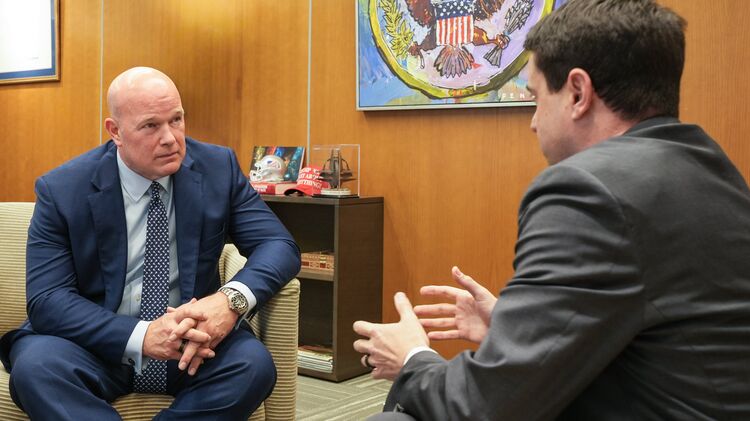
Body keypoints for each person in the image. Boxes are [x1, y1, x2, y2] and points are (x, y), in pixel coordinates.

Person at [353, 0, 750, 419]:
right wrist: (514, 327)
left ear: (577, 93)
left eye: (536, 97)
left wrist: (412, 357)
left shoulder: (587, 191)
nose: (533, 121)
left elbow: (482, 407)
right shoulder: (712, 169)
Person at [0, 67, 301, 420]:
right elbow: (48, 299)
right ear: (115, 131)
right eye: (150, 126)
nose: (170, 138)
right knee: (36, 369)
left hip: (193, 344)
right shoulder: (63, 190)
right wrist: (142, 335)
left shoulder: (217, 169)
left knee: (252, 365)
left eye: (176, 120)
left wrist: (228, 301)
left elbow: (278, 244)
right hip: (98, 346)